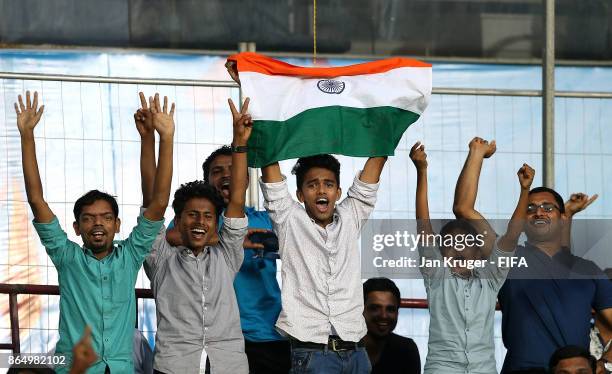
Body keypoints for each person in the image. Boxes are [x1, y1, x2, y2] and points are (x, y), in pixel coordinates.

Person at [17, 91, 173, 373]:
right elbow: (36, 200)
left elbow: (159, 202)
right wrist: (27, 135)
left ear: (118, 224)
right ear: (76, 228)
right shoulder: (67, 257)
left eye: (106, 217)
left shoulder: (131, 254)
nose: (97, 224)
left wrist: (164, 137)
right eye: (88, 219)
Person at [142, 98, 252, 374]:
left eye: (207, 216)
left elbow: (237, 198)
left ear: (217, 223)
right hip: (174, 365)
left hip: (230, 365)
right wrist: (159, 139)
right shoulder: (161, 260)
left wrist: (240, 141)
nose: (200, 221)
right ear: (177, 221)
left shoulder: (227, 256)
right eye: (191, 214)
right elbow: (153, 200)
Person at [410, 138, 533, 374]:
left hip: (483, 368)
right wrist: (422, 171)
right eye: (450, 243)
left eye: (466, 243)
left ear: (478, 253)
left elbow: (512, 235)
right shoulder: (436, 276)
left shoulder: (491, 278)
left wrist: (525, 190)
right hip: (442, 368)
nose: (458, 248)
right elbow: (423, 226)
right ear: (439, 252)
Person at [164, 143, 289, 374]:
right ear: (207, 181)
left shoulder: (265, 220)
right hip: (215, 338)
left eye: (233, 169)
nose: (226, 175)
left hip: (267, 332)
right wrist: (232, 241)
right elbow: (171, 236)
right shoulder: (198, 221)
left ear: (245, 179)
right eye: (217, 171)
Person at [260, 149, 387, 373]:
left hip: (357, 354)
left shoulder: (351, 217)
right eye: (312, 185)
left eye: (328, 184)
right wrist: (263, 133)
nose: (321, 190)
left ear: (338, 192)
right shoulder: (289, 220)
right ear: (300, 195)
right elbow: (274, 185)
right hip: (313, 355)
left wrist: (387, 135)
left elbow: (367, 185)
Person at [498, 185, 612, 373]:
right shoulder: (506, 260)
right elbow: (463, 209)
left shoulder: (587, 270)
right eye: (530, 209)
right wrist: (477, 155)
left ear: (562, 219)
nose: (539, 213)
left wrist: (604, 363)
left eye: (547, 208)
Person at [362, 277, 420, 374]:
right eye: (375, 308)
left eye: (390, 309)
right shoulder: (340, 349)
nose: (383, 315)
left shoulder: (406, 349)